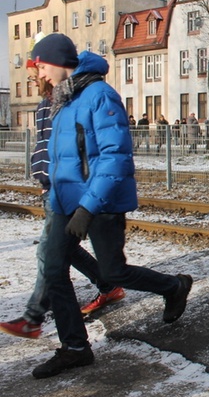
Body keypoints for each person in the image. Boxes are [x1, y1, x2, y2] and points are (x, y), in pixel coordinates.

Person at [29, 33, 193, 379]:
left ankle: (173, 286)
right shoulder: (64, 100)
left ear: (59, 62)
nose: (39, 74)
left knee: (113, 272)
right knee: (53, 267)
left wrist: (88, 207)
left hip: (100, 203)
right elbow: (63, 159)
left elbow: (115, 158)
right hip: (65, 203)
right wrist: (55, 196)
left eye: (41, 66)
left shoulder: (100, 95)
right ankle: (74, 347)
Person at [0, 59, 126, 340]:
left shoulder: (78, 98)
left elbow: (97, 150)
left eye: (38, 73)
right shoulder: (46, 103)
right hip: (55, 188)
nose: (35, 78)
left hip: (72, 190)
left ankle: (35, 319)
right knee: (62, 250)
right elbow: (46, 147)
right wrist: (44, 180)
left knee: (51, 254)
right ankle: (108, 286)